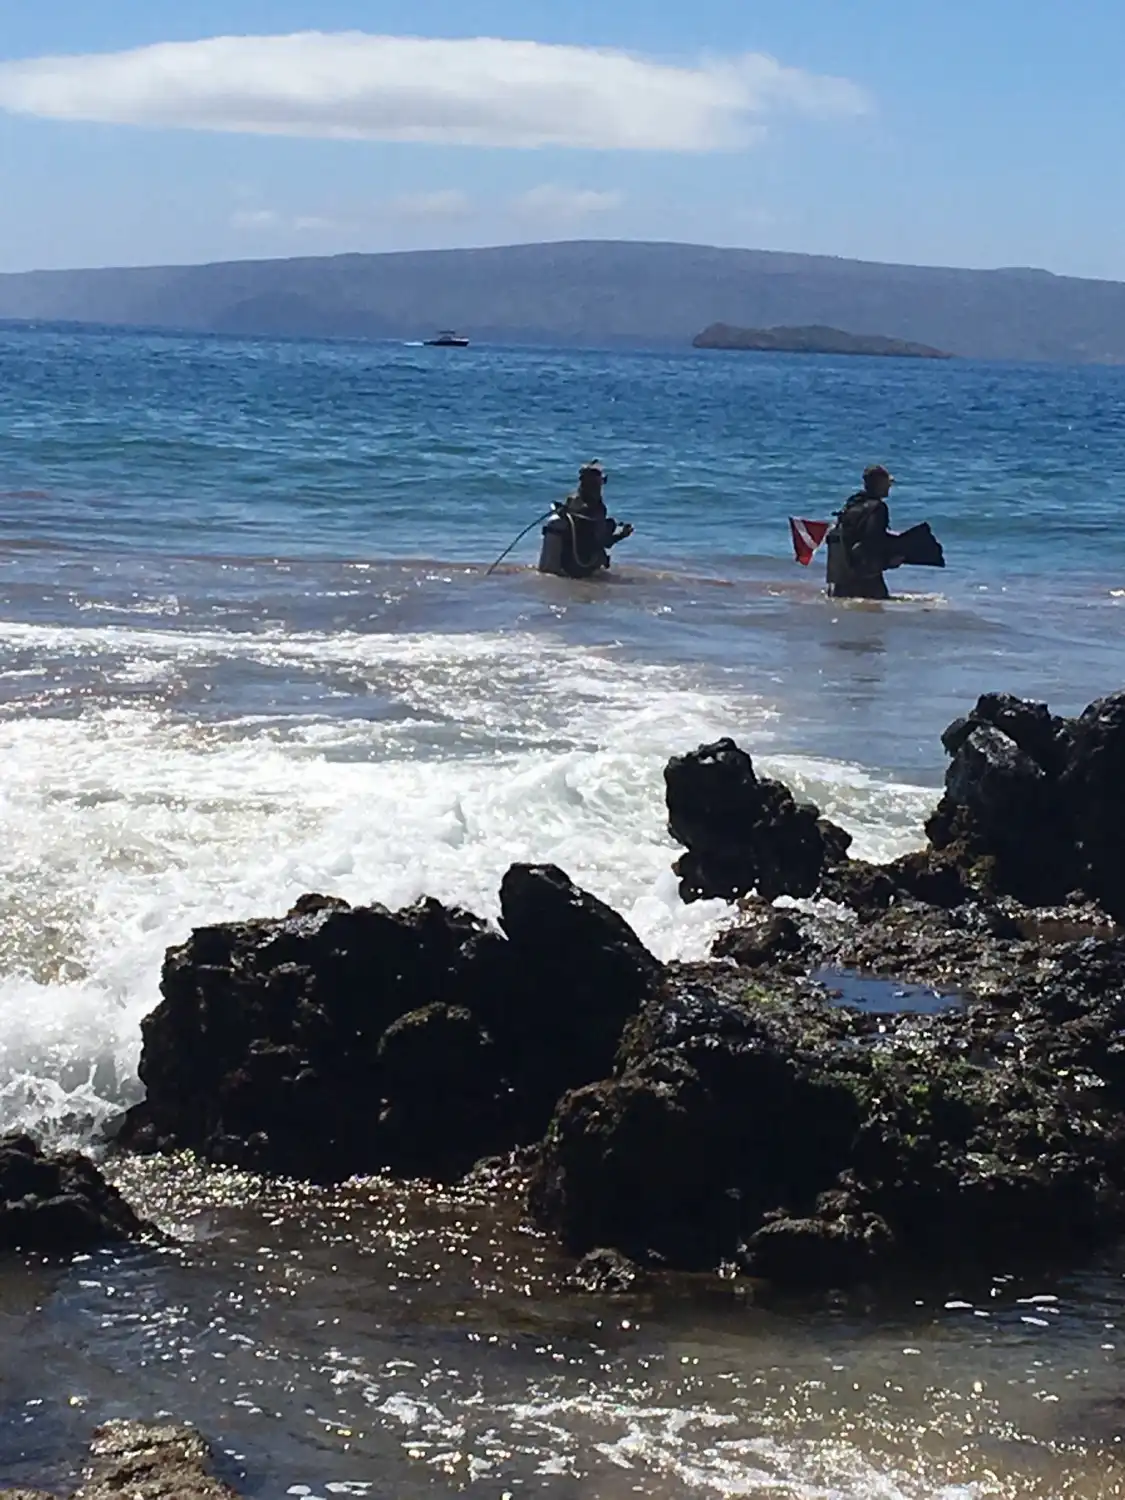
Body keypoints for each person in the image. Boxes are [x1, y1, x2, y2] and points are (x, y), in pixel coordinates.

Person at [538, 461, 634, 578]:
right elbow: (603, 542)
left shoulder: (571, 501)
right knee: (610, 524)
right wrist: (621, 535)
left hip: (566, 564)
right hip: (584, 568)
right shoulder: (598, 509)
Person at [825, 464, 904, 600]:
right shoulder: (878, 508)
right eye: (888, 483)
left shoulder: (852, 504)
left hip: (843, 574)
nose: (889, 487)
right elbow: (872, 541)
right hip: (866, 577)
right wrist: (889, 560)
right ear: (879, 483)